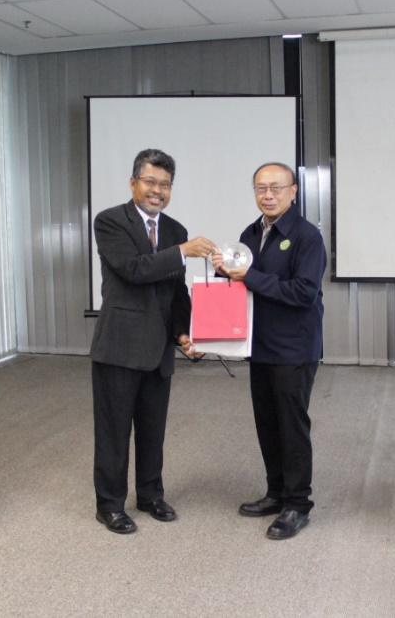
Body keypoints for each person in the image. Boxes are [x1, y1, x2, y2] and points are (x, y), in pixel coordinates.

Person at [90, 148, 216, 534]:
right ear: (134, 183)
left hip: (158, 348)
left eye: (164, 184)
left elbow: (174, 290)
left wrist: (185, 333)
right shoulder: (110, 221)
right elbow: (134, 270)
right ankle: (109, 504)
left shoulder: (176, 229)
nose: (157, 190)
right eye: (150, 182)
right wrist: (181, 252)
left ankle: (150, 495)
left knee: (152, 429)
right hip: (119, 346)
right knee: (113, 432)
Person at [213, 162, 325, 540]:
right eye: (261, 188)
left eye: (277, 187)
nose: (268, 194)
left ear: (293, 191)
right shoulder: (250, 232)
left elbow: (304, 292)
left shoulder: (307, 236)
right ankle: (275, 492)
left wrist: (251, 278)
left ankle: (298, 504)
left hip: (294, 348)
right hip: (258, 345)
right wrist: (222, 272)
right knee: (267, 424)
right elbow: (242, 285)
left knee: (292, 427)